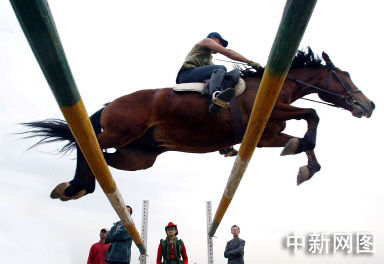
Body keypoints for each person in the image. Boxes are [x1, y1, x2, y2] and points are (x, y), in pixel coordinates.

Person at [176, 32, 260, 114]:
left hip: (193, 75)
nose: (221, 46)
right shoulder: (206, 41)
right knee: (221, 68)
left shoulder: (208, 59)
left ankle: (222, 96)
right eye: (221, 43)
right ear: (213, 38)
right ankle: (215, 97)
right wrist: (250, 62)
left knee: (231, 73)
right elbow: (228, 52)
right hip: (186, 74)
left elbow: (218, 73)